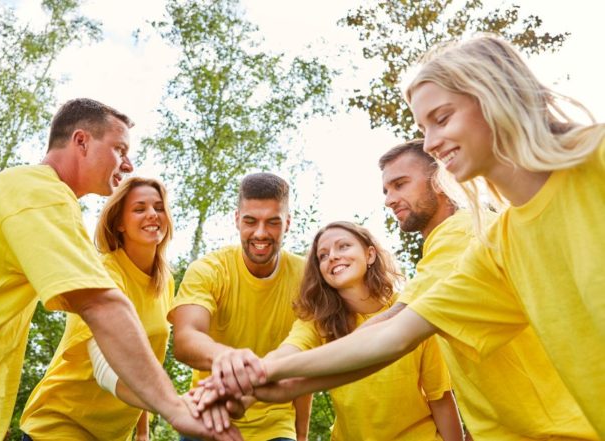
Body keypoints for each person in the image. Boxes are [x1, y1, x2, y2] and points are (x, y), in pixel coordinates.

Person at [248, 34, 605, 438]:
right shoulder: (497, 248)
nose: (432, 144)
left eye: (442, 118)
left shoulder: (594, 163)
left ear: (495, 96)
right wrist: (261, 375)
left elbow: (395, 327)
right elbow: (396, 336)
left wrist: (264, 374)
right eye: (423, 127)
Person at [0, 98, 239, 440]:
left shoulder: (29, 193)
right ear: (81, 141)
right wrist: (176, 408)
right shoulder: (40, 193)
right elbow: (101, 306)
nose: (128, 163)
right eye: (119, 149)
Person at [377, 140, 596, 439]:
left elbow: (395, 324)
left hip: (554, 429)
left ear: (440, 180)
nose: (390, 199)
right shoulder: (458, 237)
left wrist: (300, 366)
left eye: (400, 184)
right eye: (386, 191)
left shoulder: (460, 232)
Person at [269, 221, 463, 440]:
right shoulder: (318, 322)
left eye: (343, 246)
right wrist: (258, 368)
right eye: (323, 255)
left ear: (370, 255)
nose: (332, 256)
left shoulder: (411, 311)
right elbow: (289, 350)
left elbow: (440, 397)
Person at [20, 176, 175, 440]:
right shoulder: (101, 273)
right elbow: (106, 370)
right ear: (119, 223)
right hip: (61, 424)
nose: (152, 215)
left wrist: (142, 432)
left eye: (158, 207)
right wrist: (175, 407)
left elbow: (143, 361)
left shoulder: (164, 282)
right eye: (139, 209)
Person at [169, 173, 311, 441]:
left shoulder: (306, 278)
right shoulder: (208, 270)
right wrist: (227, 357)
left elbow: (303, 361)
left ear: (288, 223)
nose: (260, 233)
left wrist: (301, 435)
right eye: (250, 221)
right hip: (210, 413)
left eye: (272, 222)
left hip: (276, 425)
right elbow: (185, 339)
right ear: (237, 220)